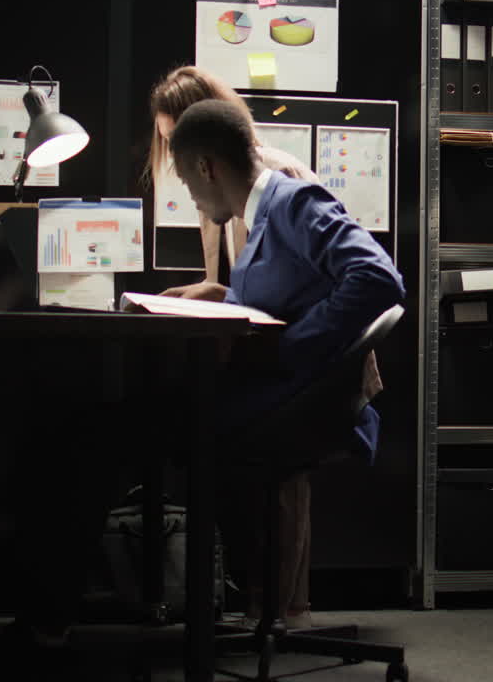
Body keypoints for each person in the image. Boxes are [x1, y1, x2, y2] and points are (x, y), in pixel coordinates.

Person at [164, 99, 405, 626]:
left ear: (206, 167)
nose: (192, 198)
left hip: (298, 404)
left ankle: (204, 628)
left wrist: (290, 344)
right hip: (273, 396)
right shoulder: (260, 217)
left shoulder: (291, 202)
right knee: (158, 420)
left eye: (186, 181)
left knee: (152, 428)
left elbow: (379, 278)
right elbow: (283, 297)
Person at [146, 65, 315, 287]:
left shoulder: (282, 177)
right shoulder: (214, 194)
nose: (174, 157)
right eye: (168, 142)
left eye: (176, 142)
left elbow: (295, 288)